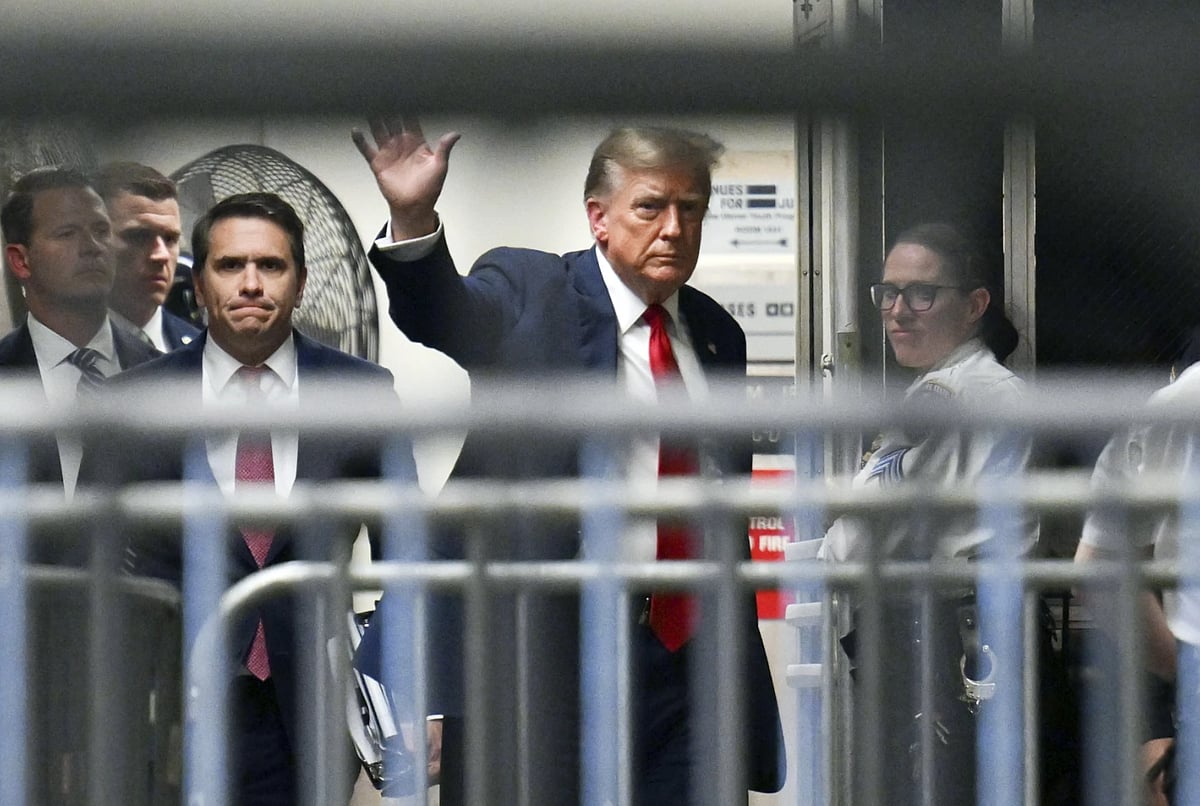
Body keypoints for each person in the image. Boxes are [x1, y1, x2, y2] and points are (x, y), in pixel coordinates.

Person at [352, 116, 785, 805]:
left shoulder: (717, 334)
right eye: (651, 207)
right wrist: (413, 219)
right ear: (599, 218)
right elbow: (443, 313)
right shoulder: (532, 289)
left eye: (691, 208)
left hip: (687, 663)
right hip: (547, 654)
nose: (674, 229)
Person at [95, 192, 414, 805]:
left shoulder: (362, 395)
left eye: (270, 265)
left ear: (300, 281)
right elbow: (95, 564)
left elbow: (407, 557)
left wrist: (407, 698)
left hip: (313, 714)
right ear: (199, 284)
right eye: (229, 265)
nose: (250, 284)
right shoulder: (130, 404)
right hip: (169, 713)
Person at [819, 223, 1039, 804]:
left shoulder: (950, 397)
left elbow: (856, 541)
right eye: (888, 293)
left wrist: (831, 523)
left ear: (974, 305)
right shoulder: (981, 387)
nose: (897, 311)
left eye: (921, 294)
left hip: (938, 644)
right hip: (964, 638)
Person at [0, 166, 160, 496]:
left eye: (102, 230)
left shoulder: (164, 373)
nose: (92, 246)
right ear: (20, 261)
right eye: (67, 233)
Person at [92, 161, 200, 351]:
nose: (161, 255)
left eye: (170, 239)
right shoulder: (51, 350)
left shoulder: (203, 352)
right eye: (139, 236)